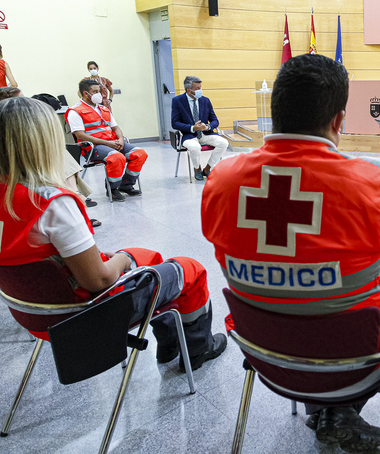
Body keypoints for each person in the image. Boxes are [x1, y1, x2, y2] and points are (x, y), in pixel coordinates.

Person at [202, 54, 380, 453]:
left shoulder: (220, 179)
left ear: (276, 111)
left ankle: (325, 407)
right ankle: (342, 405)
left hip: (266, 354)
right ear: (338, 121)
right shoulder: (377, 184)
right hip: (359, 360)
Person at [0, 97, 227, 371]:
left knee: (149, 258)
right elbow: (100, 280)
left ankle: (168, 340)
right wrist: (120, 259)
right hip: (89, 314)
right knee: (190, 270)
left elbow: (32, 257)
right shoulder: (53, 204)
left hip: (37, 314)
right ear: (43, 141)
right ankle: (197, 349)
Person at [0, 87, 100, 227]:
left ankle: (75, 196)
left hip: (36, 166)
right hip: (19, 170)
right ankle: (76, 197)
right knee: (58, 155)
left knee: (59, 153)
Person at [66, 79, 147, 202]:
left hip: (113, 142)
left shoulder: (104, 109)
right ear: (85, 93)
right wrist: (107, 143)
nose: (98, 94)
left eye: (99, 91)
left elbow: (116, 127)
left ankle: (126, 185)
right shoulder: (75, 111)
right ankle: (113, 190)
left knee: (140, 154)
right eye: (94, 91)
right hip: (94, 147)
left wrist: (120, 139)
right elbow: (80, 135)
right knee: (117, 158)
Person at [171, 76, 228, 181]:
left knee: (224, 143)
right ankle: (197, 169)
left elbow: (215, 120)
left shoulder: (205, 100)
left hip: (205, 134)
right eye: (197, 88)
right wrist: (192, 128)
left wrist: (208, 127)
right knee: (195, 148)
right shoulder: (177, 101)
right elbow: (175, 123)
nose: (200, 90)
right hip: (189, 135)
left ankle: (207, 168)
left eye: (200, 87)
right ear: (189, 90)